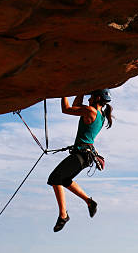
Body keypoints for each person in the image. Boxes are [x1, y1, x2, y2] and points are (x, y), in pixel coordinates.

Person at [47, 89, 113, 232]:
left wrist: (63, 90)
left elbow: (66, 109)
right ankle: (89, 202)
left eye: (90, 97)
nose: (88, 99)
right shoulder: (99, 114)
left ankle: (63, 215)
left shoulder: (90, 111)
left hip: (82, 155)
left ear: (96, 98)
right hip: (85, 156)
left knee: (55, 178)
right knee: (64, 180)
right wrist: (81, 90)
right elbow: (77, 103)